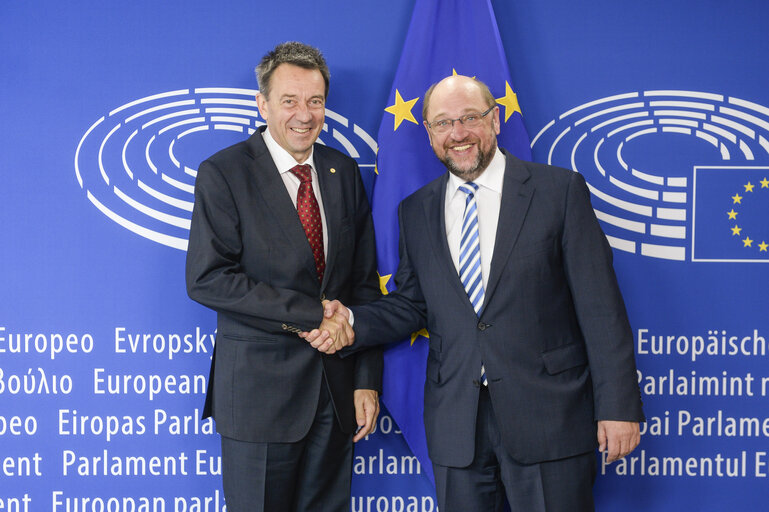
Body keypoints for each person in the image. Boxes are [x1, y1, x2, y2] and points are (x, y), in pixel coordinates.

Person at [305, 75, 644, 511]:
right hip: (457, 424)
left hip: (549, 418)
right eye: (443, 123)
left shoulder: (558, 192)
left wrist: (618, 406)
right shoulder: (416, 210)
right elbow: (412, 303)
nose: (458, 133)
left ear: (495, 120)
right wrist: (351, 322)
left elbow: (601, 309)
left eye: (470, 118)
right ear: (428, 133)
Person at [185, 41, 382, 512]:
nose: (304, 114)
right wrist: (313, 315)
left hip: (335, 398)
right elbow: (208, 279)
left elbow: (362, 284)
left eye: (315, 101)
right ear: (263, 104)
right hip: (259, 400)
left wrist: (366, 380)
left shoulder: (342, 170)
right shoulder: (225, 172)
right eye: (289, 101)